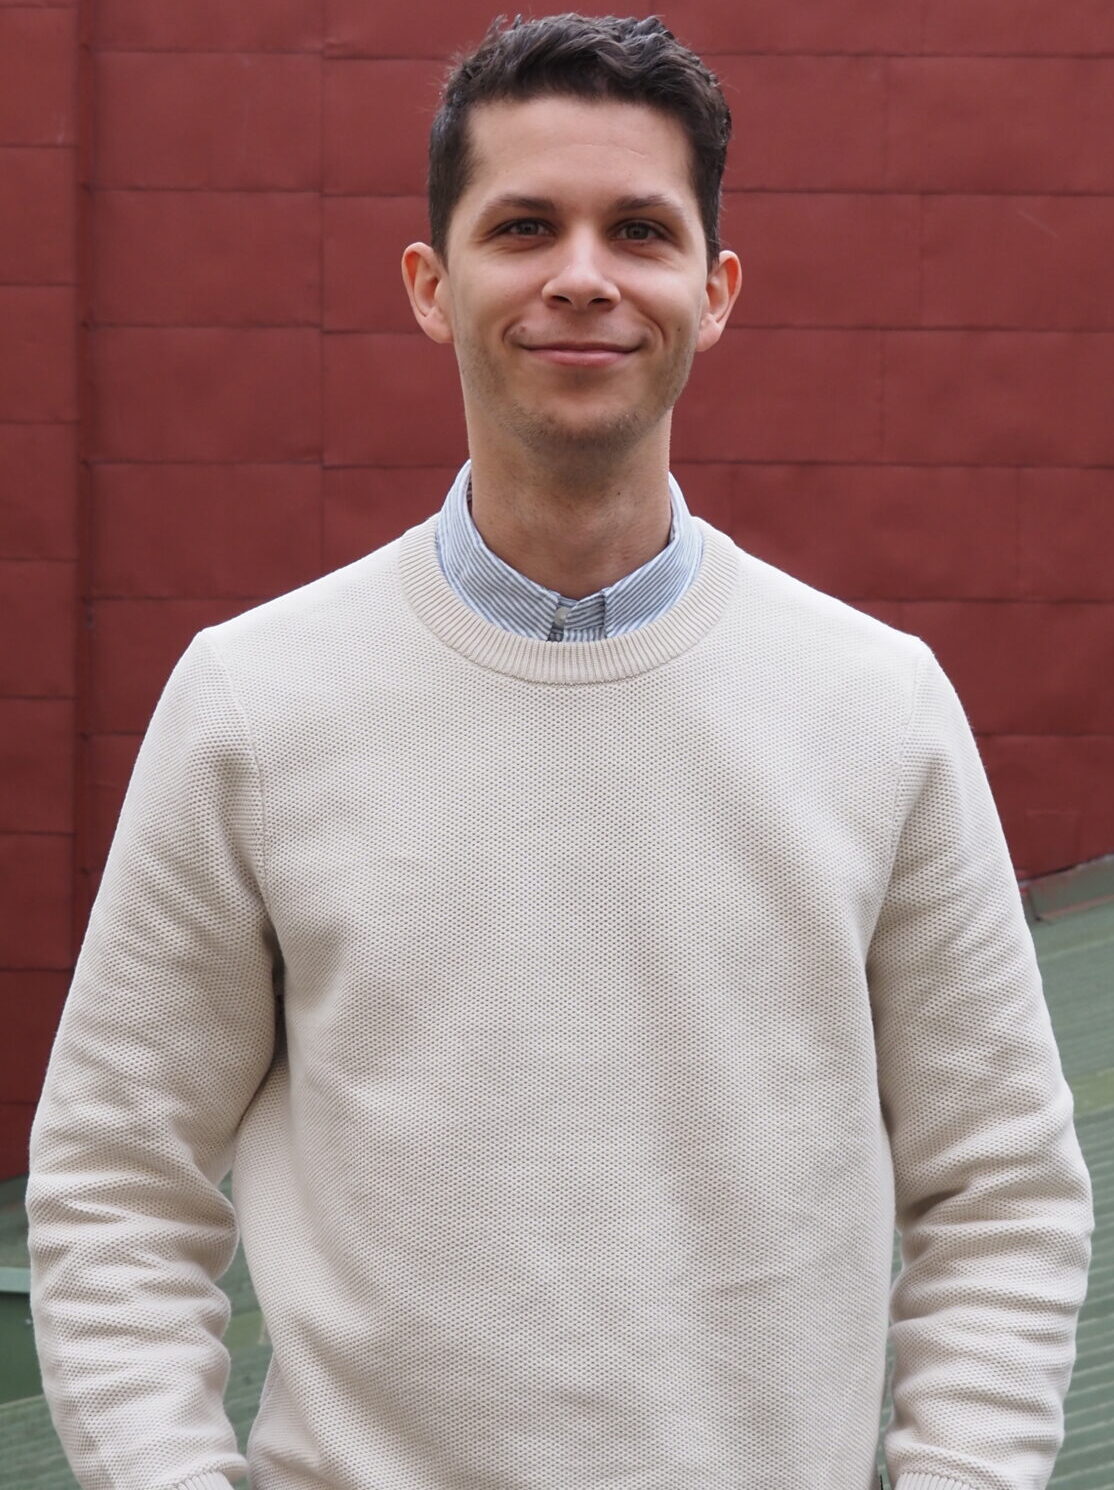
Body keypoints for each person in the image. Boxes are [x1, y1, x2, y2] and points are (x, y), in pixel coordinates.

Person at [28, 14, 1091, 1490]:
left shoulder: (877, 707)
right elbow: (114, 1186)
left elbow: (1002, 1193)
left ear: (713, 291)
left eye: (639, 230)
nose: (582, 276)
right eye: (523, 226)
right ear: (431, 284)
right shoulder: (253, 705)